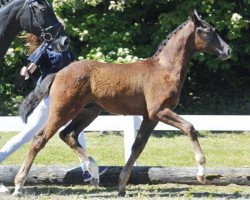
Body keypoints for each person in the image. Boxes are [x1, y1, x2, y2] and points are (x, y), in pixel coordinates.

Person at [0, 34, 107, 194]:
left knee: (76, 131)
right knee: (27, 135)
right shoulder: (45, 47)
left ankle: (86, 171)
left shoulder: (67, 50)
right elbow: (32, 66)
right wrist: (26, 72)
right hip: (49, 98)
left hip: (66, 99)